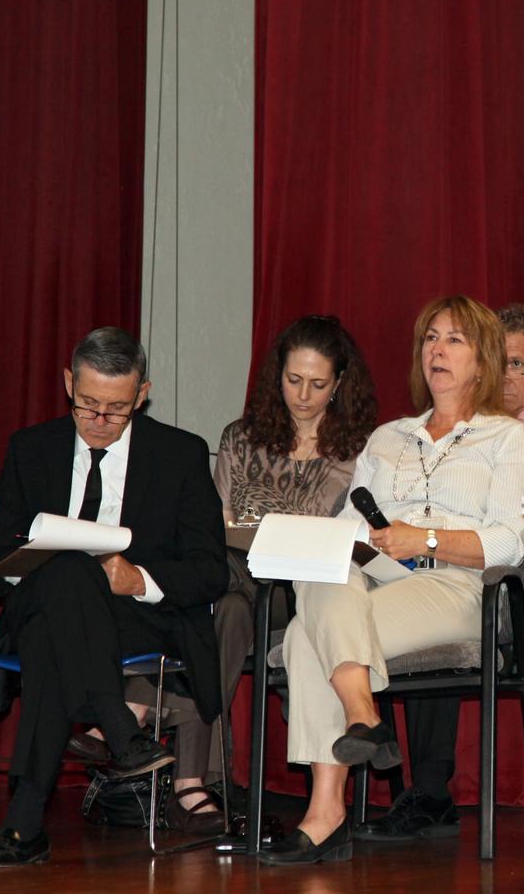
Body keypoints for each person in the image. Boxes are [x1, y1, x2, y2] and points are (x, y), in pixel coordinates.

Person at [259, 296, 524, 866]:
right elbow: (348, 527)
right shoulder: (388, 437)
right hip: (377, 578)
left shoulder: (508, 439)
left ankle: (326, 811)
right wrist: (352, 544)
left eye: (455, 340)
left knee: (305, 638)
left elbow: (511, 542)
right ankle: (362, 716)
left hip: (463, 585)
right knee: (324, 572)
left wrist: (425, 540)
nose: (437, 349)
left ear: (483, 361)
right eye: (430, 338)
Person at [99, 315, 378, 833]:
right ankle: (191, 784)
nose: (303, 395)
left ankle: (134, 706)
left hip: (301, 591)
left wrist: (251, 536)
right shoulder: (241, 437)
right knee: (223, 608)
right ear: (278, 375)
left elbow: (328, 535)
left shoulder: (359, 450)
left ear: (340, 383)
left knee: (196, 582)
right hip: (233, 585)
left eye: (318, 384)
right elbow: (214, 522)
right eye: (293, 380)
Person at [0, 328, 228, 867]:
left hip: (132, 619)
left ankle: (24, 824)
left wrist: (138, 580)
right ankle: (119, 726)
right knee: (66, 571)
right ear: (69, 383)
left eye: (117, 409)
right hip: (43, 604)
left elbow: (210, 572)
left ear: (142, 394)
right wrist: (37, 567)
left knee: (51, 631)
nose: (99, 420)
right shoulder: (31, 448)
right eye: (88, 404)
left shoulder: (179, 454)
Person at [354, 302, 524, 843]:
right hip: (439, 561)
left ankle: (424, 784)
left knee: (466, 577)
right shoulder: (417, 434)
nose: (505, 375)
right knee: (406, 582)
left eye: (517, 364)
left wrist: (443, 541)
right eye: (501, 361)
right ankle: (418, 784)